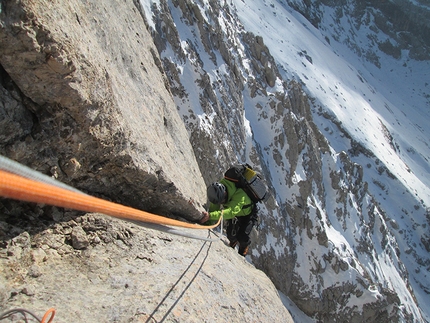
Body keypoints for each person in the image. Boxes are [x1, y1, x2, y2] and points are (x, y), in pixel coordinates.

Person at [200, 178, 257, 256]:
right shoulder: (218, 193)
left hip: (248, 214)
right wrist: (207, 223)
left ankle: (243, 249)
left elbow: (230, 212)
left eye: (222, 201)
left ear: (225, 193)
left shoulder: (240, 195)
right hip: (235, 212)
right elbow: (214, 207)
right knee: (230, 234)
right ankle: (233, 242)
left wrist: (210, 216)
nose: (221, 203)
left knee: (242, 236)